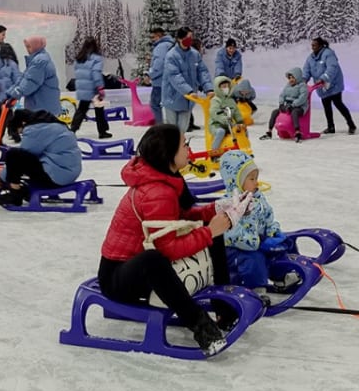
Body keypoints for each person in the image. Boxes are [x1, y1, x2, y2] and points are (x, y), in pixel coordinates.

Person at [97, 124, 252, 358]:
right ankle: (200, 326)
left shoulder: (167, 179)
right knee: (155, 259)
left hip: (136, 265)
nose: (189, 149)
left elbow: (179, 217)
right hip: (118, 276)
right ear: (169, 153)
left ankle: (223, 311)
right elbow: (168, 249)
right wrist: (209, 231)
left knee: (213, 235)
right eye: (184, 144)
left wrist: (216, 210)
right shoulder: (156, 191)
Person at [218, 150, 291, 302]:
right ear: (236, 181)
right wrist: (257, 242)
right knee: (255, 258)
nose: (256, 182)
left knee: (279, 248)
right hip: (236, 249)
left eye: (256, 178)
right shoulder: (228, 205)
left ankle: (282, 277)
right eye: (251, 179)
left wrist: (273, 231)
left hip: (257, 240)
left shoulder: (258, 198)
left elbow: (269, 217)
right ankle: (256, 289)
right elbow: (232, 234)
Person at [0, 109, 82, 206]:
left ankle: (15, 194)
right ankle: (23, 190)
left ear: (23, 123)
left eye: (20, 131)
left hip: (57, 175)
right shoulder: (53, 124)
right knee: (21, 157)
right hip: (69, 171)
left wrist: (0, 180)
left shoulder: (35, 129)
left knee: (13, 154)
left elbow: (20, 157)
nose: (22, 134)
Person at [161, 30, 213, 131]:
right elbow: (175, 76)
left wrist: (208, 88)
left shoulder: (194, 54)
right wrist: (188, 91)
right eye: (187, 38)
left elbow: (202, 72)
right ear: (179, 39)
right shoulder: (171, 56)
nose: (190, 40)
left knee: (182, 130)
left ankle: (180, 145)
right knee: (172, 131)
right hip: (172, 98)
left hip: (188, 99)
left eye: (191, 38)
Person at [303, 37, 356, 135]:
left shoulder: (328, 54)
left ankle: (351, 125)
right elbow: (307, 70)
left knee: (338, 104)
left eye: (314, 45)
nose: (312, 47)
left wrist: (324, 78)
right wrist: (304, 79)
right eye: (312, 45)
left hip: (334, 84)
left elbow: (332, 67)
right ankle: (330, 127)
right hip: (322, 86)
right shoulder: (310, 58)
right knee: (326, 106)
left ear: (320, 45)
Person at [6, 36, 61, 116]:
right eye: (26, 47)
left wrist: (16, 94)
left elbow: (31, 82)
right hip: (42, 104)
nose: (27, 50)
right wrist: (11, 92)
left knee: (41, 127)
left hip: (42, 105)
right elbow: (24, 78)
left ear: (36, 46)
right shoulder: (38, 59)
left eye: (29, 47)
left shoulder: (40, 61)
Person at [69, 37, 112, 138]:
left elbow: (78, 73)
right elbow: (96, 74)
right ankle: (102, 131)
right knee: (99, 109)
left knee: (81, 109)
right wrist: (100, 87)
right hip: (93, 88)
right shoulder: (96, 59)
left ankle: (73, 129)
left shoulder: (79, 58)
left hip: (82, 87)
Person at [259, 68, 309, 142]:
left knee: (294, 112)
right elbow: (282, 95)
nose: (291, 80)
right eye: (289, 78)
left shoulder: (302, 86)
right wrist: (281, 103)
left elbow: (303, 98)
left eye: (293, 77)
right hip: (288, 105)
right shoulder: (288, 85)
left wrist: (293, 104)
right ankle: (269, 132)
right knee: (275, 112)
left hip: (299, 106)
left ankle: (297, 132)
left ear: (297, 77)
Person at [146, 27, 178, 125]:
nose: (151, 39)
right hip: (171, 80)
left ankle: (159, 125)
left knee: (155, 104)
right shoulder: (171, 45)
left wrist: (150, 74)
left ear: (159, 36)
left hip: (160, 81)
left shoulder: (160, 47)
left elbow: (159, 64)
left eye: (153, 37)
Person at [208, 76, 244, 156]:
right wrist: (224, 119)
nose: (226, 88)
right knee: (221, 132)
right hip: (216, 124)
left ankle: (243, 148)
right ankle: (214, 152)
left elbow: (236, 111)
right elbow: (214, 112)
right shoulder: (216, 100)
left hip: (229, 124)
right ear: (218, 88)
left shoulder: (231, 100)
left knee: (240, 130)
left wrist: (240, 121)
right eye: (224, 87)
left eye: (227, 86)